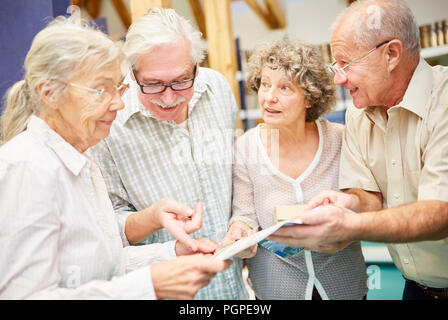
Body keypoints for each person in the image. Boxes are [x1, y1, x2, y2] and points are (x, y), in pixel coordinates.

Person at [0, 15, 231, 299]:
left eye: (116, 88)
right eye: (101, 90)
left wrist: (171, 252)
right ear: (50, 94)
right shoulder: (26, 168)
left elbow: (106, 264)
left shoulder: (81, 163)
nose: (119, 103)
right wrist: (149, 286)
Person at [270, 0, 448, 300]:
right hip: (416, 289)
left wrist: (348, 226)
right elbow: (369, 197)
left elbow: (440, 213)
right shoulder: (359, 113)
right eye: (335, 65)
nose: (338, 77)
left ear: (391, 54)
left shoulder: (444, 100)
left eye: (346, 63)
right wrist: (347, 203)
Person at [87, 8, 248, 299]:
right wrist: (151, 217)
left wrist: (242, 222)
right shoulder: (108, 126)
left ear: (196, 66)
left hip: (234, 290)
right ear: (133, 73)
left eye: (182, 80)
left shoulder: (219, 90)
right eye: (154, 84)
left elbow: (237, 178)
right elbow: (106, 230)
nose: (169, 97)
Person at [222, 38, 368, 300]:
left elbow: (365, 203)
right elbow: (243, 215)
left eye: (285, 88)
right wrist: (239, 232)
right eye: (265, 84)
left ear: (309, 98)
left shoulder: (341, 139)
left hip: (344, 286)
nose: (269, 97)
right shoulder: (245, 148)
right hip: (276, 290)